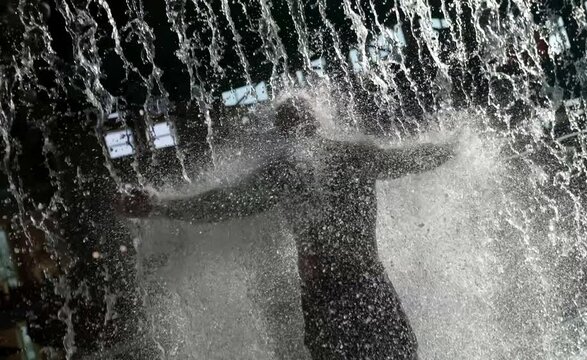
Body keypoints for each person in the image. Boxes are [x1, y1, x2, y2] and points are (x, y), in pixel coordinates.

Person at [116, 97, 456, 359]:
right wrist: (454, 148)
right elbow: (412, 159)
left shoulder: (293, 170)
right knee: (400, 351)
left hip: (336, 291)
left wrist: (160, 206)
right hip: (360, 283)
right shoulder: (343, 158)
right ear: (316, 123)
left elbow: (222, 204)